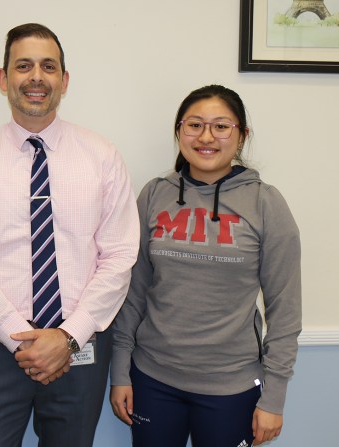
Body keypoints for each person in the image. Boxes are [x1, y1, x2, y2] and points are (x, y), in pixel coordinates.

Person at [0, 23, 139, 447]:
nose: (36, 77)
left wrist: (67, 336)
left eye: (48, 67)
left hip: (80, 347)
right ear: (3, 78)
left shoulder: (102, 157)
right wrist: (20, 336)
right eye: (23, 65)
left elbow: (120, 256)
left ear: (64, 81)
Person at [110, 84, 302, 447]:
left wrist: (274, 398)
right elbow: (132, 292)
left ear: (242, 135)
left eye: (221, 126)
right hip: (152, 379)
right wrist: (120, 371)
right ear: (179, 132)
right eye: (194, 125)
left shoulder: (266, 203)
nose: (206, 137)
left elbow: (285, 311)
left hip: (231, 387)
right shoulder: (154, 194)